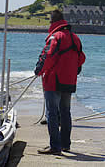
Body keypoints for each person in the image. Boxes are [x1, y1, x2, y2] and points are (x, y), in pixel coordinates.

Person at [34, 10, 86, 155]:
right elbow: (81, 58)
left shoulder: (55, 37)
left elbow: (47, 56)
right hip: (69, 81)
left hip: (53, 81)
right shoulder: (75, 38)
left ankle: (55, 147)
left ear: (52, 23)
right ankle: (65, 145)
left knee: (52, 114)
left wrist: (38, 70)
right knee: (65, 113)